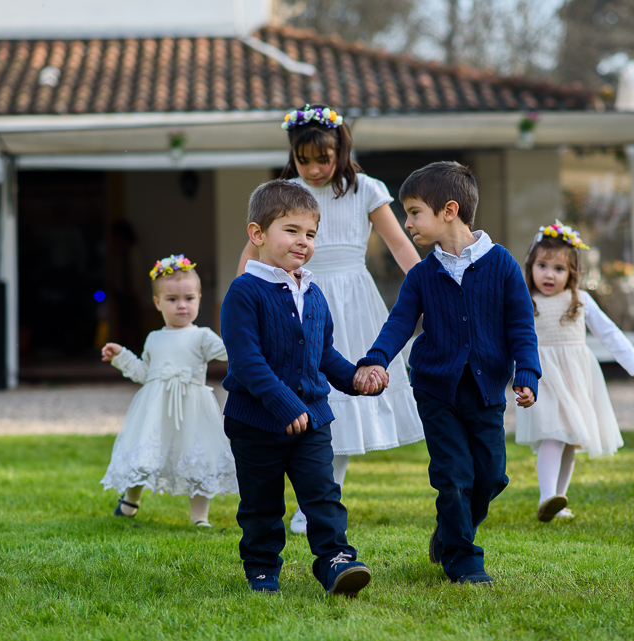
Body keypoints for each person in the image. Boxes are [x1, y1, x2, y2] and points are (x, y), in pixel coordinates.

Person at [237, 104, 424, 535]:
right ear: (293, 155)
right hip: (294, 297)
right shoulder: (283, 191)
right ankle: (294, 490)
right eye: (305, 160)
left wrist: (427, 287)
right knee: (293, 388)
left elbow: (398, 244)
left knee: (335, 401)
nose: (315, 168)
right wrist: (245, 299)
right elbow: (251, 253)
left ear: (341, 149)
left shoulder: (367, 190)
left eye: (324, 158)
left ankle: (317, 498)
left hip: (352, 298)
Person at [355, 161, 541, 585]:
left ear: (449, 210)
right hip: (436, 389)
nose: (408, 223)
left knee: (491, 476)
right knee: (454, 475)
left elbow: (521, 326)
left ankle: (448, 532)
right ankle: (463, 559)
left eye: (415, 212)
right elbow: (400, 321)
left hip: (486, 391)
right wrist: (376, 358)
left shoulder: (503, 265)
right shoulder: (422, 275)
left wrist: (526, 373)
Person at [221, 179, 384, 596]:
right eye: (291, 230)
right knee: (262, 505)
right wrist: (282, 402)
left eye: (310, 233)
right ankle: (261, 569)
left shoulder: (313, 292)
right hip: (256, 423)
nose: (303, 241)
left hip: (312, 419)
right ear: (258, 235)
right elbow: (246, 361)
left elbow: (323, 353)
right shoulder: (244, 292)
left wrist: (356, 379)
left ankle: (335, 560)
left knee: (323, 495)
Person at [515, 222, 634, 522]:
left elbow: (610, 334)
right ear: (530, 266)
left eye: (559, 269)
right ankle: (546, 495)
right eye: (542, 265)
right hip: (542, 378)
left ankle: (557, 501)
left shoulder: (580, 301)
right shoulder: (525, 301)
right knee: (552, 433)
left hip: (575, 376)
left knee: (568, 439)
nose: (549, 274)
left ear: (572, 274)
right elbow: (507, 338)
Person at [100, 254, 238, 527]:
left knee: (197, 457)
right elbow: (144, 373)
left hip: (194, 408)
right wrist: (121, 356)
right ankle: (130, 501)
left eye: (189, 298)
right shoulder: (154, 338)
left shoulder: (202, 336)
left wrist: (242, 335)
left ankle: (199, 517)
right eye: (172, 300)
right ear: (157, 303)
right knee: (146, 453)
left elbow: (229, 352)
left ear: (199, 298)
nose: (182, 306)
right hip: (155, 410)